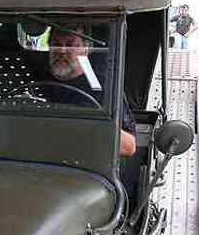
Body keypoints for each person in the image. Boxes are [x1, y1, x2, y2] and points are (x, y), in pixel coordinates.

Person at [47, 25, 137, 157]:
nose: (62, 50)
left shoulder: (103, 87)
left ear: (86, 49)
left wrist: (86, 125)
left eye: (71, 44)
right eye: (56, 44)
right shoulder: (35, 80)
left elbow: (129, 146)